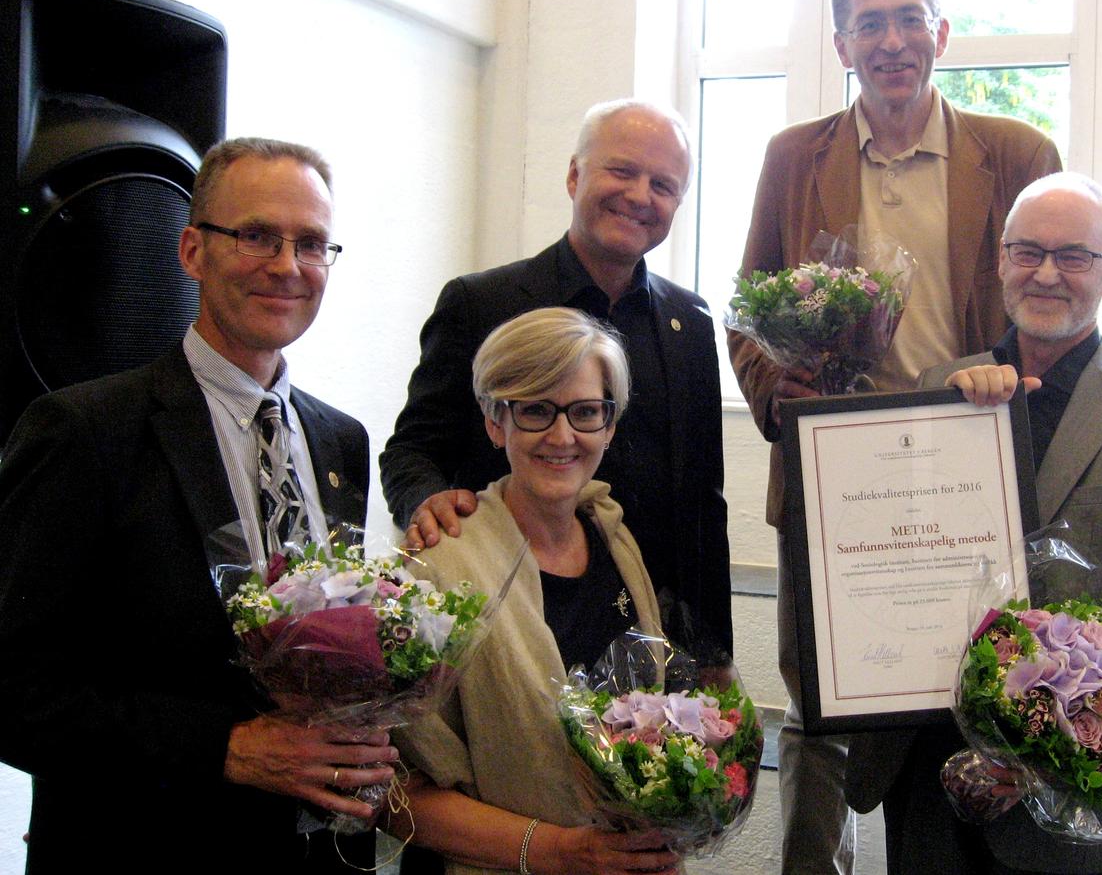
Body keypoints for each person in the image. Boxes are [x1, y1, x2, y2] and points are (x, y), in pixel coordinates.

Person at [726, 0, 1063, 873]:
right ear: (842, 44)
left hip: (973, 475)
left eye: (910, 18)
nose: (893, 40)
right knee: (822, 706)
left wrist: (998, 378)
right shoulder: (793, 158)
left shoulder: (1018, 154)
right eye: (870, 23)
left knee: (972, 696)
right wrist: (775, 389)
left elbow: (1046, 302)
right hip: (834, 483)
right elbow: (746, 311)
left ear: (941, 34)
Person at [0, 137, 396, 873]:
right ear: (191, 251)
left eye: (311, 243)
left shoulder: (341, 440)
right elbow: (13, 690)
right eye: (256, 235)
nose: (287, 265)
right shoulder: (85, 431)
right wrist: (227, 745)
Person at [846, 172, 1102, 874]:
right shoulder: (937, 389)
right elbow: (877, 559)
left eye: (1074, 256)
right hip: (921, 772)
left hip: (1057, 801)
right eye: (1028, 251)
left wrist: (1048, 747)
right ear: (1001, 262)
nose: (1047, 273)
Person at [380, 98, 731, 658]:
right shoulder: (481, 302)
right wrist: (427, 503)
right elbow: (412, 449)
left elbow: (702, 506)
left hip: (648, 632)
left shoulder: (689, 322)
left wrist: (715, 653)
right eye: (621, 171)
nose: (641, 196)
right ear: (574, 174)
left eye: (663, 185)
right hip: (509, 618)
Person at [388, 307, 678, 875]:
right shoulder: (439, 567)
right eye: (536, 410)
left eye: (586, 411)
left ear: (610, 423)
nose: (563, 435)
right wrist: (562, 854)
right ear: (496, 422)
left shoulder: (618, 542)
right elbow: (393, 795)